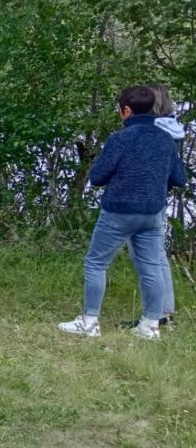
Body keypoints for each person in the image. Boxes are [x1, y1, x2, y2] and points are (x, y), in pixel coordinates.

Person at [58, 85, 187, 340]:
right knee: (151, 266)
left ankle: (90, 321)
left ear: (126, 111)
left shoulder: (120, 139)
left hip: (118, 211)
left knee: (96, 262)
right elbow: (179, 178)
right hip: (152, 213)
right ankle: (150, 326)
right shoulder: (165, 139)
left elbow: (97, 177)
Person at [119, 84, 186, 330]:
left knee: (148, 258)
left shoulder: (154, 131)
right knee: (156, 256)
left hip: (144, 199)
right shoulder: (171, 129)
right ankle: (163, 312)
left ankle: (157, 315)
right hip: (158, 197)